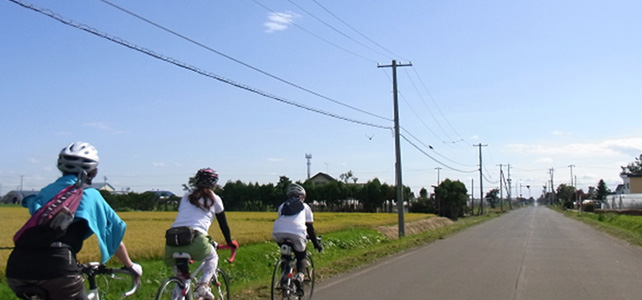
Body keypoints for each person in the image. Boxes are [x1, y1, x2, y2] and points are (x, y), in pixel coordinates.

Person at [5, 141, 143, 300]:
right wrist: (130, 266)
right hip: (58, 269)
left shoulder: (45, 192)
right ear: (93, 171)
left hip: (17, 267)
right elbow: (112, 234)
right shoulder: (89, 194)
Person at [163, 168, 236, 300]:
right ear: (214, 183)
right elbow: (223, 225)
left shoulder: (186, 196)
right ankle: (203, 285)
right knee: (212, 258)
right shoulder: (215, 199)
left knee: (182, 279)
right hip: (196, 238)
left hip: (172, 241)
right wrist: (230, 242)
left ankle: (180, 289)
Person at [272, 183, 322, 296]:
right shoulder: (305, 207)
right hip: (297, 233)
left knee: (286, 256)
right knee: (301, 256)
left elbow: (284, 221)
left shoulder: (282, 205)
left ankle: (284, 282)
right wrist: (316, 243)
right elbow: (309, 228)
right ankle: (299, 276)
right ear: (302, 196)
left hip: (278, 232)